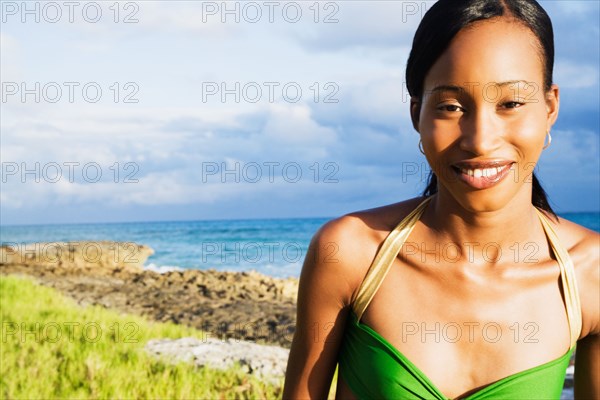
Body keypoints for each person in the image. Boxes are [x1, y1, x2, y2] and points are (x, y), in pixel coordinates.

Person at [282, 0, 599, 398]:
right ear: (417, 114)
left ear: (550, 106)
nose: (481, 140)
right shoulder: (350, 253)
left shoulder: (590, 273)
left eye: (511, 104)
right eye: (450, 106)